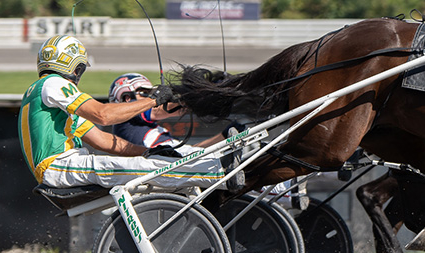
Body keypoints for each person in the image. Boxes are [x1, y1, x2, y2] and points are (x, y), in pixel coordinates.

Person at [18, 35, 242, 191]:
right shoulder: (53, 84)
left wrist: (148, 152)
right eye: (80, 69)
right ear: (74, 68)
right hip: (59, 167)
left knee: (147, 165)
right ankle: (223, 175)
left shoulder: (49, 98)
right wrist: (152, 100)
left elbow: (104, 140)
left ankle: (214, 173)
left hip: (63, 167)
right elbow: (103, 115)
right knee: (147, 171)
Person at [107, 71, 308, 209]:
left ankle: (285, 184)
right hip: (166, 169)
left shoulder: (148, 127)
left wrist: (223, 137)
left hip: (178, 162)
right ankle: (284, 190)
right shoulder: (129, 119)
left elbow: (192, 150)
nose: (154, 98)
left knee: (239, 141)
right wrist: (203, 96)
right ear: (126, 99)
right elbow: (166, 110)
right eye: (146, 93)